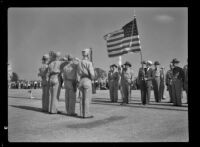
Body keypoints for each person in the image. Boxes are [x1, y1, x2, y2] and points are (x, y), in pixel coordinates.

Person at [77, 48, 95, 118]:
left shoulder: (79, 63)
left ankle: (82, 113)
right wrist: (93, 77)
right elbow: (92, 75)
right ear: (87, 54)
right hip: (87, 80)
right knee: (87, 98)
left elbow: (77, 74)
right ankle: (86, 114)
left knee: (81, 98)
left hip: (81, 80)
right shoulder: (89, 63)